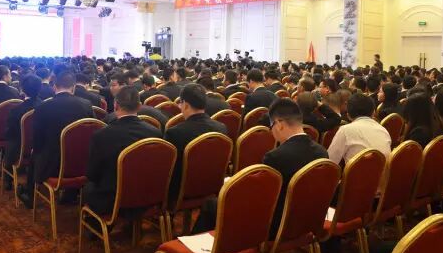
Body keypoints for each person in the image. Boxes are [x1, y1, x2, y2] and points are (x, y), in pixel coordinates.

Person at [192, 98, 327, 238]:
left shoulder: (276, 156)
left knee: (212, 204)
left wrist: (235, 185)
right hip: (307, 223)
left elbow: (259, 197)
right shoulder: (322, 152)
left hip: (274, 227)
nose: (272, 132)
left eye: (271, 126)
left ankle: (200, 246)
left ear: (279, 124)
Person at [18, 70, 94, 207]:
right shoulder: (86, 105)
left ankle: (30, 195)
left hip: (53, 166)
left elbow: (37, 140)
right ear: (73, 87)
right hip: (82, 163)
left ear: (54, 87)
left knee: (36, 152)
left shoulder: (43, 107)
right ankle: (70, 194)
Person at [83, 86, 162, 215]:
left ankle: (95, 225)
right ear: (139, 106)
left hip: (113, 201)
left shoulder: (101, 135)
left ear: (115, 105)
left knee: (88, 187)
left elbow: (92, 174)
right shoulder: (155, 133)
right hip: (147, 196)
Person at [164, 84, 227, 198]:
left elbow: (168, 170)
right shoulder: (221, 128)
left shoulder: (175, 133)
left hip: (182, 192)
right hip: (213, 187)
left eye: (180, 103)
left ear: (185, 104)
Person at [327, 93, 391, 164]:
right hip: (383, 170)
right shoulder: (383, 130)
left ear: (348, 115)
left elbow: (330, 161)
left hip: (358, 171)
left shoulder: (345, 130)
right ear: (373, 113)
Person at [3, 74, 42, 189]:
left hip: (21, 150)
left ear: (22, 90)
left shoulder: (16, 110)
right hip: (40, 148)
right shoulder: (46, 106)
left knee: (10, 142)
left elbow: (10, 133)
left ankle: (8, 180)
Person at [104, 73, 168, 130]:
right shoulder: (155, 130)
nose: (110, 88)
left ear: (116, 105)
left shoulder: (110, 120)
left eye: (113, 85)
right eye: (110, 85)